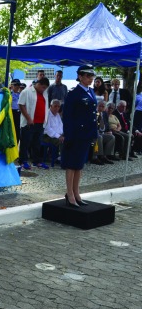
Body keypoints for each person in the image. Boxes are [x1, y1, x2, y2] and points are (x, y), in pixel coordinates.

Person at [62, 65, 98, 207]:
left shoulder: (91, 92)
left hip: (86, 133)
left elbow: (93, 115)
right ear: (80, 76)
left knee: (80, 165)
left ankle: (76, 193)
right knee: (71, 164)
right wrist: (68, 135)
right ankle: (69, 193)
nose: (91, 79)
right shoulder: (73, 93)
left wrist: (94, 133)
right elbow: (67, 116)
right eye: (88, 76)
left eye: (92, 76)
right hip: (76, 134)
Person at [18, 77, 50, 170]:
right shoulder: (26, 91)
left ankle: (37, 161)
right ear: (38, 84)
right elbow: (21, 105)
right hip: (29, 122)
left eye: (45, 88)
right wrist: (28, 118)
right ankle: (23, 161)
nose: (43, 89)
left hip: (40, 122)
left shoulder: (45, 94)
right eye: (43, 87)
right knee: (25, 142)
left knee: (37, 143)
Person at [91, 100, 116, 165]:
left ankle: (105, 155)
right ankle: (96, 157)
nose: (101, 108)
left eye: (103, 106)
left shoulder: (104, 114)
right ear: (97, 106)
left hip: (103, 132)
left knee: (111, 137)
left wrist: (109, 131)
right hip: (94, 132)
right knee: (99, 137)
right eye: (100, 106)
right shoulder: (93, 113)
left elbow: (107, 124)